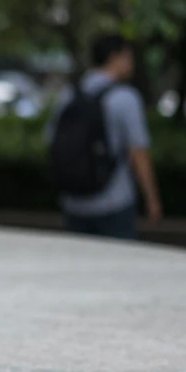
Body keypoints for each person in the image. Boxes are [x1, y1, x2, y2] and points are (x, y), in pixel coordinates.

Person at [45, 34, 163, 240]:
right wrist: (152, 200)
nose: (131, 63)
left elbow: (50, 140)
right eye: (128, 57)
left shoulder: (69, 94)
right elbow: (138, 153)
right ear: (114, 57)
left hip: (73, 202)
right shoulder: (125, 98)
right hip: (114, 202)